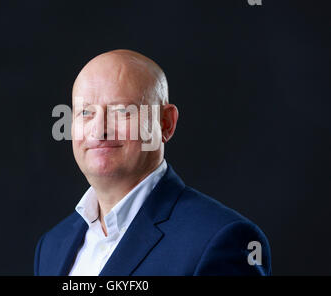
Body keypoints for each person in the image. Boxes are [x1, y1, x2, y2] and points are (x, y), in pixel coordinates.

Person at [34, 49, 271, 276]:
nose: (99, 130)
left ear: (165, 123)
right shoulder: (52, 246)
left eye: (121, 110)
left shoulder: (221, 239)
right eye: (85, 113)